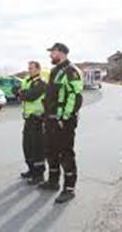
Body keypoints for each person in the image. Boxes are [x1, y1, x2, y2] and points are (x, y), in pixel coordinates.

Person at [39, 43, 84, 204]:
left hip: (63, 122)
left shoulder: (71, 71)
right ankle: (53, 182)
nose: (50, 55)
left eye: (53, 52)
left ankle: (69, 189)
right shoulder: (54, 71)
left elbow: (76, 97)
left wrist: (64, 118)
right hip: (50, 119)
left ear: (61, 53)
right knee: (50, 151)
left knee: (66, 153)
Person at [16, 61, 47, 185]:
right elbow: (20, 94)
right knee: (27, 146)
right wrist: (20, 93)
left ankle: (39, 175)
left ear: (38, 69)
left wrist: (21, 93)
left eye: (32, 68)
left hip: (37, 119)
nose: (29, 70)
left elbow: (30, 96)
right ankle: (31, 169)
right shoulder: (28, 81)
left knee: (37, 148)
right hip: (28, 119)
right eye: (28, 68)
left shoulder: (41, 83)